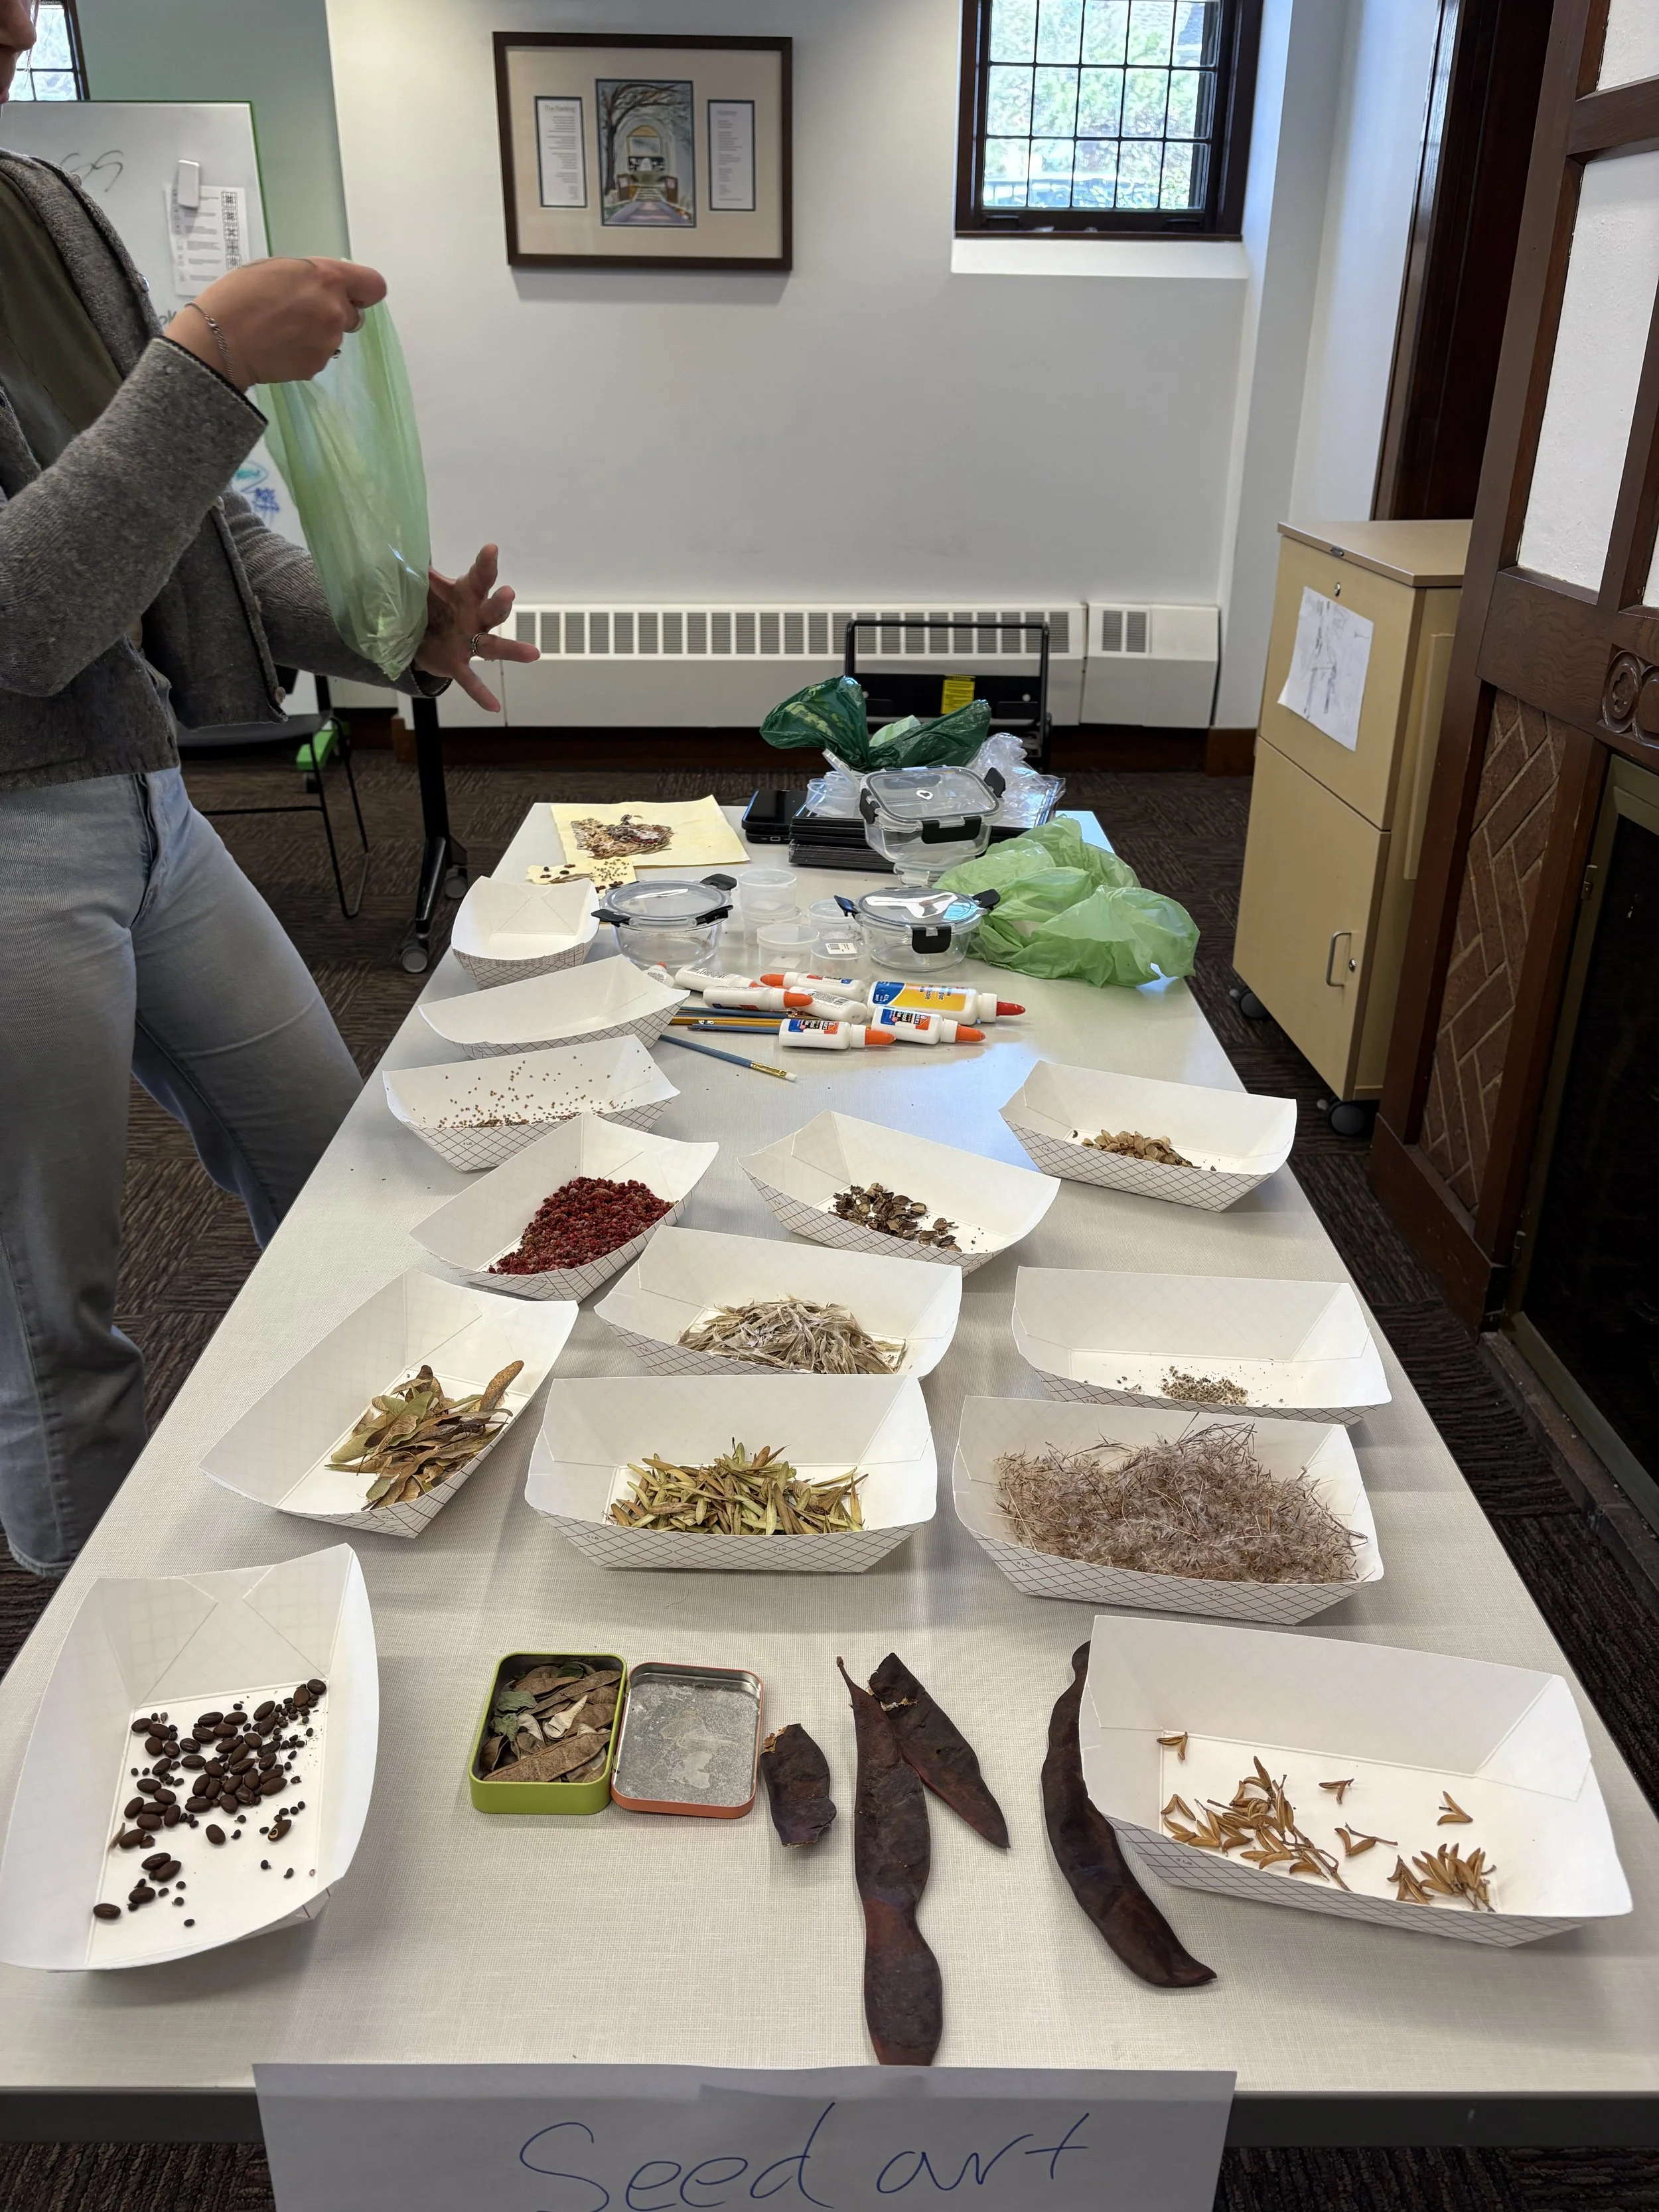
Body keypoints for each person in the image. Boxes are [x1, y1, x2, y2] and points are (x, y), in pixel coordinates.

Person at [0, 0, 538, 1577]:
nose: (27, 15)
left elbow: (195, 524)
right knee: (53, 1321)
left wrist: (383, 629)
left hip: (142, 802)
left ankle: (396, 1502)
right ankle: (107, 1657)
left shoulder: (41, 209)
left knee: (342, 1164)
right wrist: (207, 360)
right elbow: (27, 621)